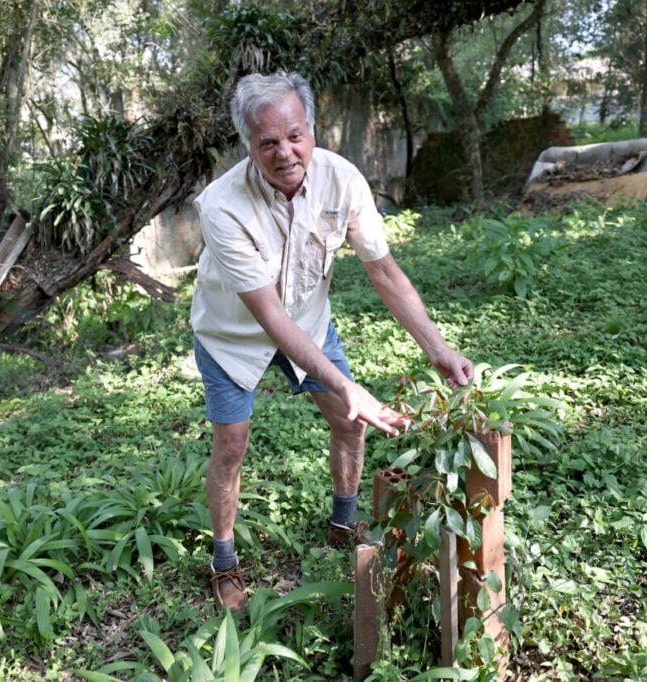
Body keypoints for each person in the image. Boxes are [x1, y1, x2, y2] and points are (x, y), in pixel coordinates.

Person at [190, 72, 474, 611]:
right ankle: (223, 562)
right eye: (267, 142)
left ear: (312, 129)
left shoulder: (342, 180)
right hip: (232, 335)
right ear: (248, 145)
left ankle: (343, 523)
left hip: (309, 322)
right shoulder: (220, 205)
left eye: (295, 134)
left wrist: (437, 348)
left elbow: (384, 272)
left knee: (348, 421)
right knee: (231, 445)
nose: (284, 152)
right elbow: (268, 314)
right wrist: (347, 383)